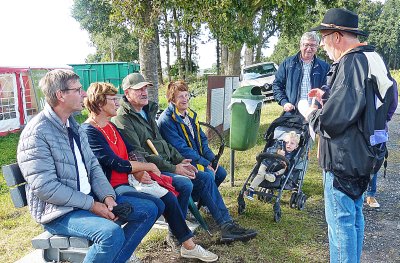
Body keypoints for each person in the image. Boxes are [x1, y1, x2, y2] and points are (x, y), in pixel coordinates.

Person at [16, 69, 160, 263]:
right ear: (61, 95)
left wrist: (107, 197)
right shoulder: (37, 133)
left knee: (149, 210)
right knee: (110, 233)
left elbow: (93, 167)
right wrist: (93, 205)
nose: (84, 94)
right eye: (78, 90)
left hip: (87, 200)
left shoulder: (72, 125)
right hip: (59, 212)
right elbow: (45, 188)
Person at [112, 73, 258, 243]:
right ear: (127, 92)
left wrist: (180, 160)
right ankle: (176, 233)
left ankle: (226, 225)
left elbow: (165, 145)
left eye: (145, 88)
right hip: (150, 172)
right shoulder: (123, 119)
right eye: (139, 89)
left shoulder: (146, 112)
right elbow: (141, 155)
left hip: (167, 164)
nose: (144, 92)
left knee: (205, 176)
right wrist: (175, 168)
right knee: (186, 181)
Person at [299, 8, 396, 263]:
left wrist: (311, 114)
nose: (322, 44)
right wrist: (329, 97)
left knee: (341, 223)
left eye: (325, 36)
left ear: (338, 36)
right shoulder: (374, 57)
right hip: (367, 155)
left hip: (343, 158)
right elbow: (390, 102)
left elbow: (333, 120)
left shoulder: (351, 62)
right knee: (354, 217)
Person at [82, 82, 218, 262]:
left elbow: (132, 151)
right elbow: (113, 162)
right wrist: (146, 167)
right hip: (111, 189)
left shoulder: (110, 125)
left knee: (167, 198)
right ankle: (126, 251)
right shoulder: (89, 130)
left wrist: (139, 171)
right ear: (99, 103)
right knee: (155, 206)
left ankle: (186, 245)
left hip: (128, 181)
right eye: (113, 99)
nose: (117, 103)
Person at [157, 80, 227, 188]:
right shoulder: (167, 119)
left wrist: (212, 160)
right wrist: (204, 163)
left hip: (196, 157)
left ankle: (203, 202)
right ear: (172, 99)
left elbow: (202, 139)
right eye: (180, 96)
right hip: (183, 161)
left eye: (186, 95)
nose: (185, 99)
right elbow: (181, 149)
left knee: (221, 173)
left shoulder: (190, 115)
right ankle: (199, 198)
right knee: (209, 175)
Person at [273, 31, 330, 115]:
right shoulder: (288, 64)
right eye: (306, 45)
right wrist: (284, 102)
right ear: (300, 46)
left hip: (316, 113)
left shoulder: (324, 67)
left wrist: (318, 105)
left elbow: (327, 89)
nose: (309, 48)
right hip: (292, 113)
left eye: (313, 45)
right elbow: (277, 85)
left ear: (317, 47)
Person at [245, 131, 300, 200]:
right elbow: (268, 150)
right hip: (267, 164)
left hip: (277, 169)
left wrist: (286, 164)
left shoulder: (294, 155)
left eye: (292, 143)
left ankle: (273, 175)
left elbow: (290, 165)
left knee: (284, 169)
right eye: (287, 142)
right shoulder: (279, 145)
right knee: (261, 174)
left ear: (296, 146)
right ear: (284, 141)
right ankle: (250, 190)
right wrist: (277, 151)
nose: (289, 144)